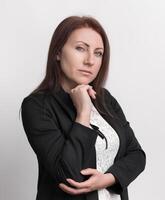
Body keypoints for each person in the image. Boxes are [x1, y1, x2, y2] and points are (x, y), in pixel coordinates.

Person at [20, 15, 146, 200]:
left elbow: (137, 155)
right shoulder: (37, 106)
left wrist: (108, 179)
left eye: (98, 53)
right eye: (80, 48)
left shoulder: (106, 99)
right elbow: (68, 173)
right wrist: (83, 113)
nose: (90, 61)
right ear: (57, 52)